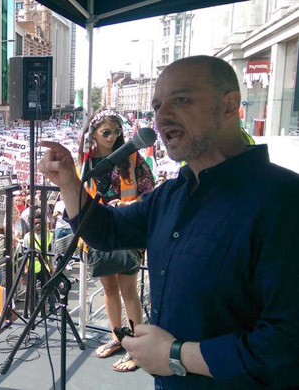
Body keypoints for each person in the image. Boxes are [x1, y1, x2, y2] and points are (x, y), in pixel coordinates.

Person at [38, 55, 299, 389]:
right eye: (158, 106)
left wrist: (176, 355)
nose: (162, 117)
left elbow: (287, 343)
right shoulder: (170, 196)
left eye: (182, 99)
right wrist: (69, 183)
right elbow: (106, 230)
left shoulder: (285, 201)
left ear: (230, 105)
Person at [73, 108, 155, 372]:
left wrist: (127, 204)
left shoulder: (131, 156)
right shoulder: (85, 161)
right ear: (93, 134)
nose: (112, 137)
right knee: (109, 289)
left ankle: (136, 348)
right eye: (106, 132)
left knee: (128, 289)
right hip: (99, 232)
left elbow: (148, 190)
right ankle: (116, 337)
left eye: (117, 132)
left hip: (128, 228)